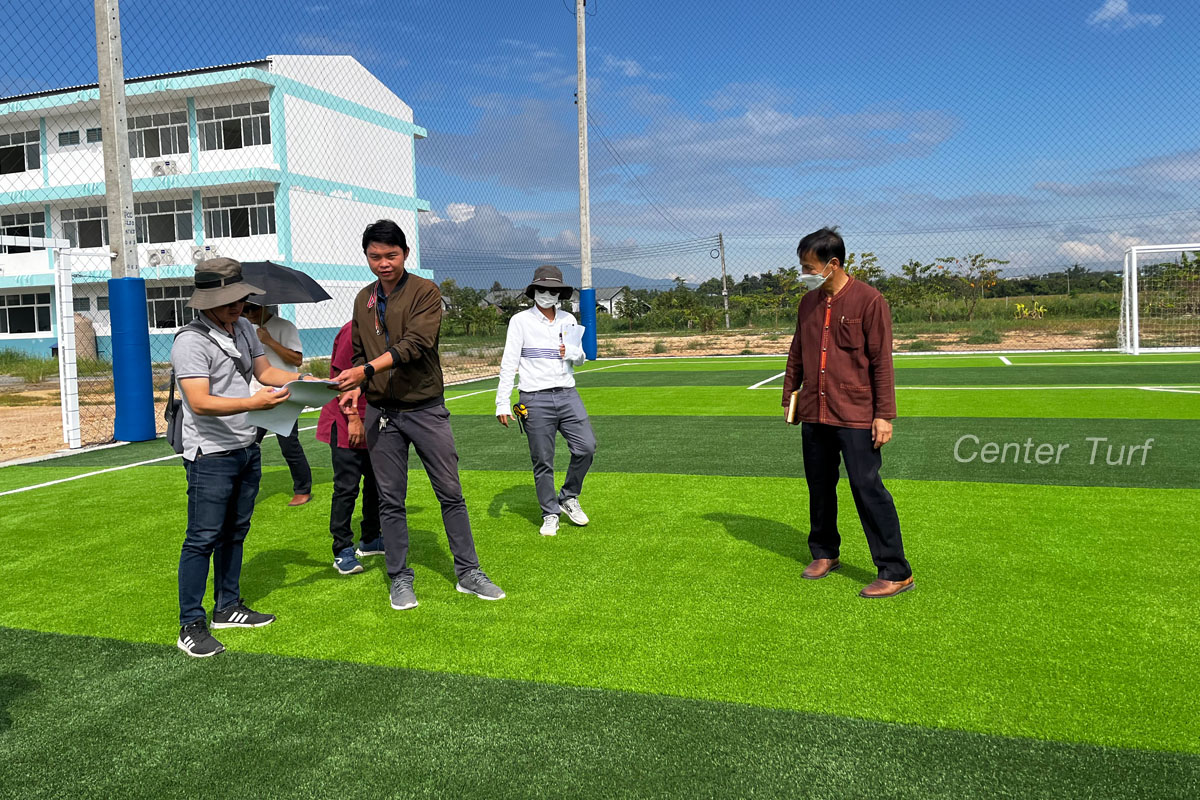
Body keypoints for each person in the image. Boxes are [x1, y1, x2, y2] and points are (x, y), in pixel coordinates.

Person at [335, 219, 504, 610]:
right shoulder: (363, 299)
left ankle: (469, 572)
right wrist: (356, 387)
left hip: (425, 409)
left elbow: (416, 344)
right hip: (382, 413)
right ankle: (399, 576)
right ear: (366, 257)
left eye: (391, 255)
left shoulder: (425, 291)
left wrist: (366, 371)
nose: (383, 263)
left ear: (406, 254)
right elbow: (359, 353)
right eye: (375, 256)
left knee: (450, 493)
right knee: (390, 500)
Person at [171, 258, 309, 657]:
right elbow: (199, 401)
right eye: (229, 300)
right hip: (210, 453)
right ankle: (190, 624)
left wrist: (309, 381)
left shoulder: (244, 328)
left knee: (236, 530)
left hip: (247, 446)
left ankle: (227, 606)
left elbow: (267, 373)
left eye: (241, 298)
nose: (238, 306)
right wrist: (253, 403)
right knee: (202, 537)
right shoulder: (190, 342)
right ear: (206, 302)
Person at [782, 226, 914, 598]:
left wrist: (884, 415)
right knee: (819, 486)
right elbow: (797, 351)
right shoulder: (807, 304)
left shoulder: (870, 301)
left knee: (867, 488)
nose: (804, 274)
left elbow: (881, 362)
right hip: (815, 411)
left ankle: (895, 570)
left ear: (834, 264)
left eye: (809, 268)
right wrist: (790, 394)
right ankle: (825, 553)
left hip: (857, 413)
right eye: (803, 267)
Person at [495, 265, 595, 536]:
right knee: (543, 460)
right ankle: (550, 513)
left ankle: (568, 496)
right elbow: (509, 362)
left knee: (586, 447)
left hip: (567, 393)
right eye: (542, 289)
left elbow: (581, 359)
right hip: (534, 398)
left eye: (552, 290)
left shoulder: (568, 319)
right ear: (533, 291)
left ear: (560, 293)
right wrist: (502, 402)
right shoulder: (520, 321)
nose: (547, 294)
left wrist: (571, 352)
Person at [316, 321, 383, 575]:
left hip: (376, 419)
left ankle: (371, 538)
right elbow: (340, 380)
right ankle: (342, 548)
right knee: (347, 487)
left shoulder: (390, 329)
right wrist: (353, 418)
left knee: (377, 484)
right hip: (348, 420)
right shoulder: (352, 331)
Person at [243, 301, 313, 506]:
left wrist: (269, 341)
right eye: (244, 309)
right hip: (255, 395)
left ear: (265, 306)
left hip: (284, 395)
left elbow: (297, 360)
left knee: (289, 445)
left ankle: (303, 489)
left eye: (253, 308)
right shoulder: (244, 328)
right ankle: (244, 491)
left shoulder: (285, 326)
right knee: (247, 445)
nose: (249, 313)